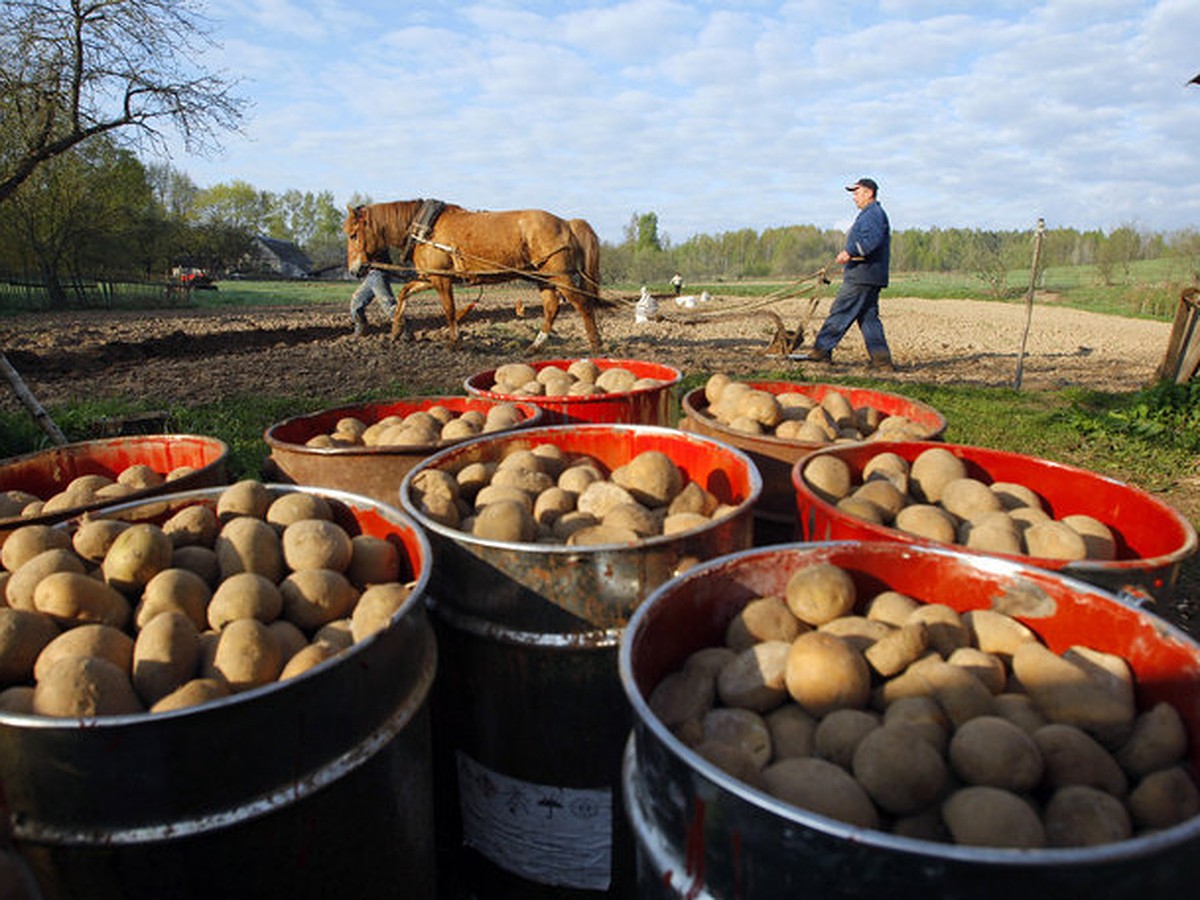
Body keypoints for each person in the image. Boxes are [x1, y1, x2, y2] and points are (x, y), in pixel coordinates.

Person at [796, 177, 894, 370]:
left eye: (857, 193)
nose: (854, 197)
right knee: (868, 319)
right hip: (870, 275)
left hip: (861, 276)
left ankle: (821, 351)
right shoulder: (872, 213)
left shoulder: (872, 214)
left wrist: (850, 252)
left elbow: (871, 241)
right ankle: (882, 361)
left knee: (840, 311)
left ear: (869, 193)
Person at [348, 267, 400, 336]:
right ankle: (361, 330)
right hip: (371, 275)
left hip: (378, 274)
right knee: (356, 301)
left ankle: (405, 329)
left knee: (388, 305)